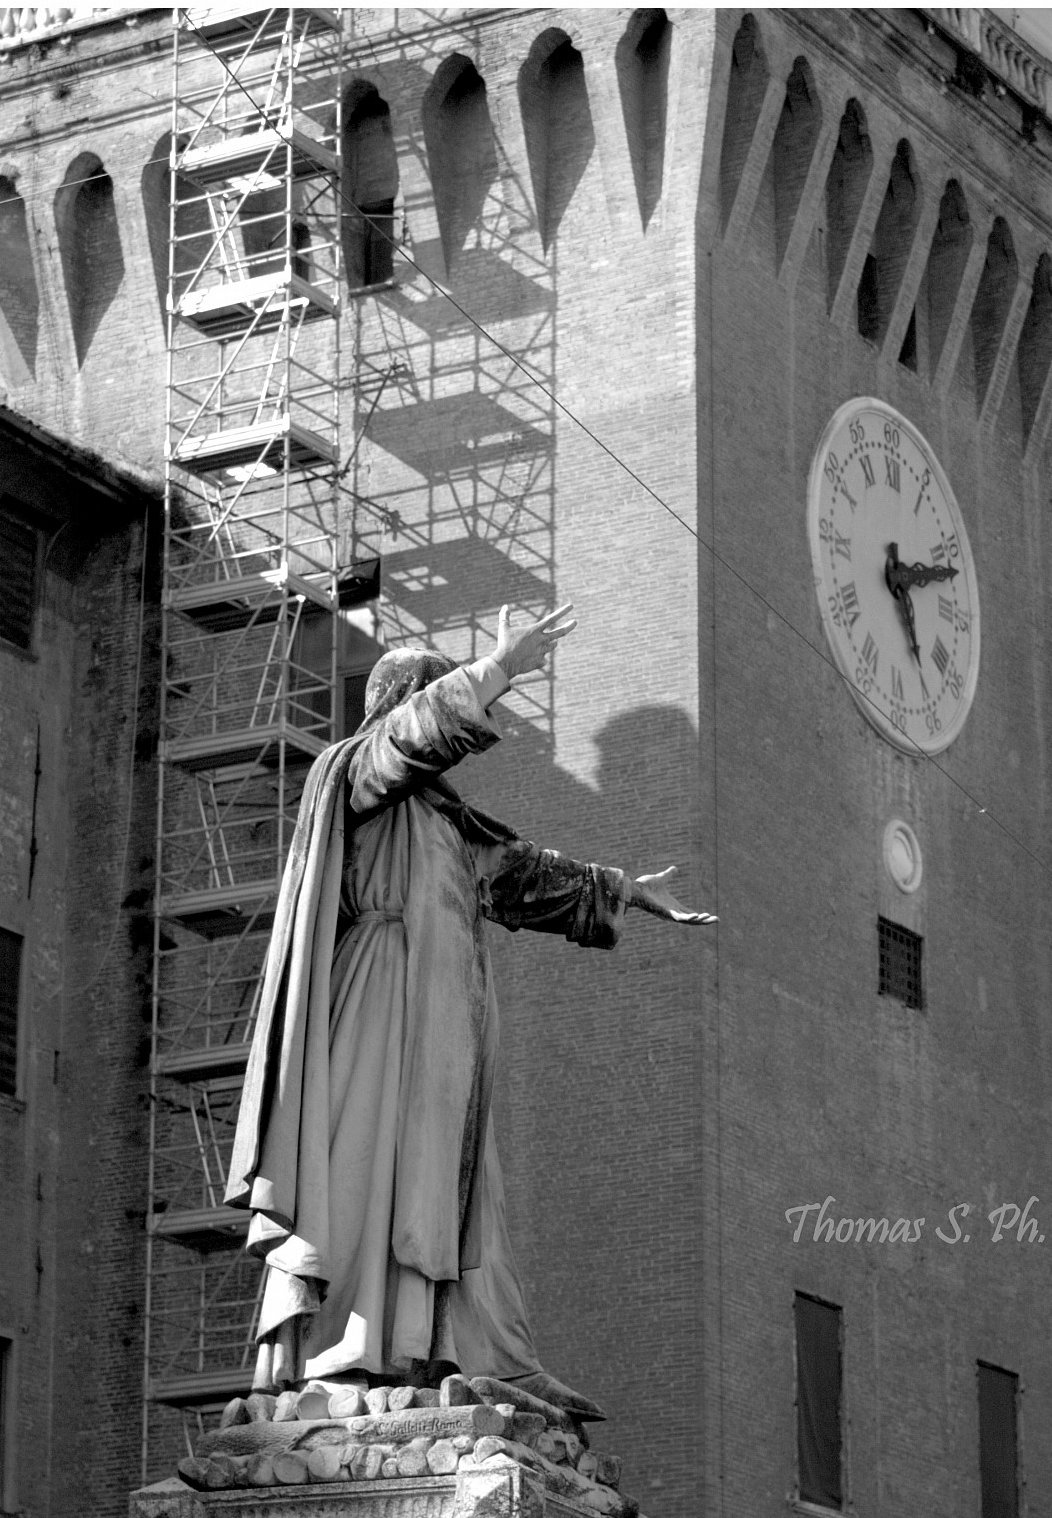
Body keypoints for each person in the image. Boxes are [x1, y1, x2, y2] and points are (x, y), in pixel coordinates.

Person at [223, 602, 713, 1420]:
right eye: (435, 693)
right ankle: (351, 1352)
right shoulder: (354, 774)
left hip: (447, 1031)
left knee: (454, 1190)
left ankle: (472, 1355)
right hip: (379, 1008)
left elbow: (525, 877)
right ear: (405, 701)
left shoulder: (448, 823)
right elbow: (410, 740)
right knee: (366, 1171)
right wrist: (496, 671)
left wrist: (628, 890)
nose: (449, 723)